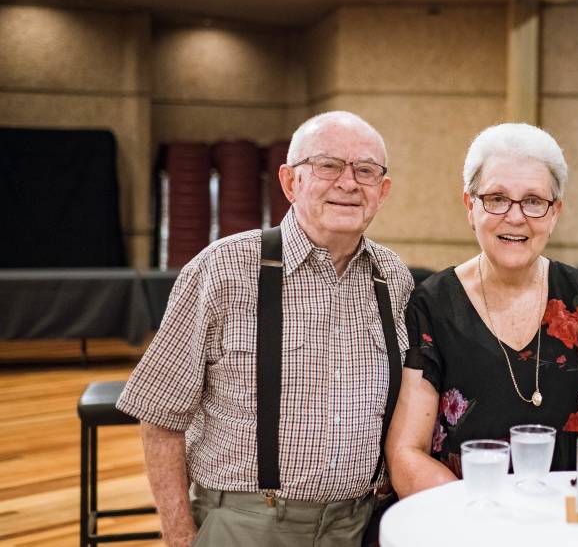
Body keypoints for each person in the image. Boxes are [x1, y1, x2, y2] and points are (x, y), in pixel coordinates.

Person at [118, 111, 413, 547]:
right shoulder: (223, 269)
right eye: (329, 166)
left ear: (382, 191)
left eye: (365, 171)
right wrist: (179, 535)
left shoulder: (394, 278)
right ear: (290, 181)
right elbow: (161, 419)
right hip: (244, 525)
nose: (349, 184)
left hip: (356, 525)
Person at [386, 122, 578, 495]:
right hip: (465, 523)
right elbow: (407, 454)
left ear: (555, 213)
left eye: (534, 201)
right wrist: (480, 522)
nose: (516, 217)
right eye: (497, 198)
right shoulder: (431, 306)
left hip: (566, 520)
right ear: (470, 206)